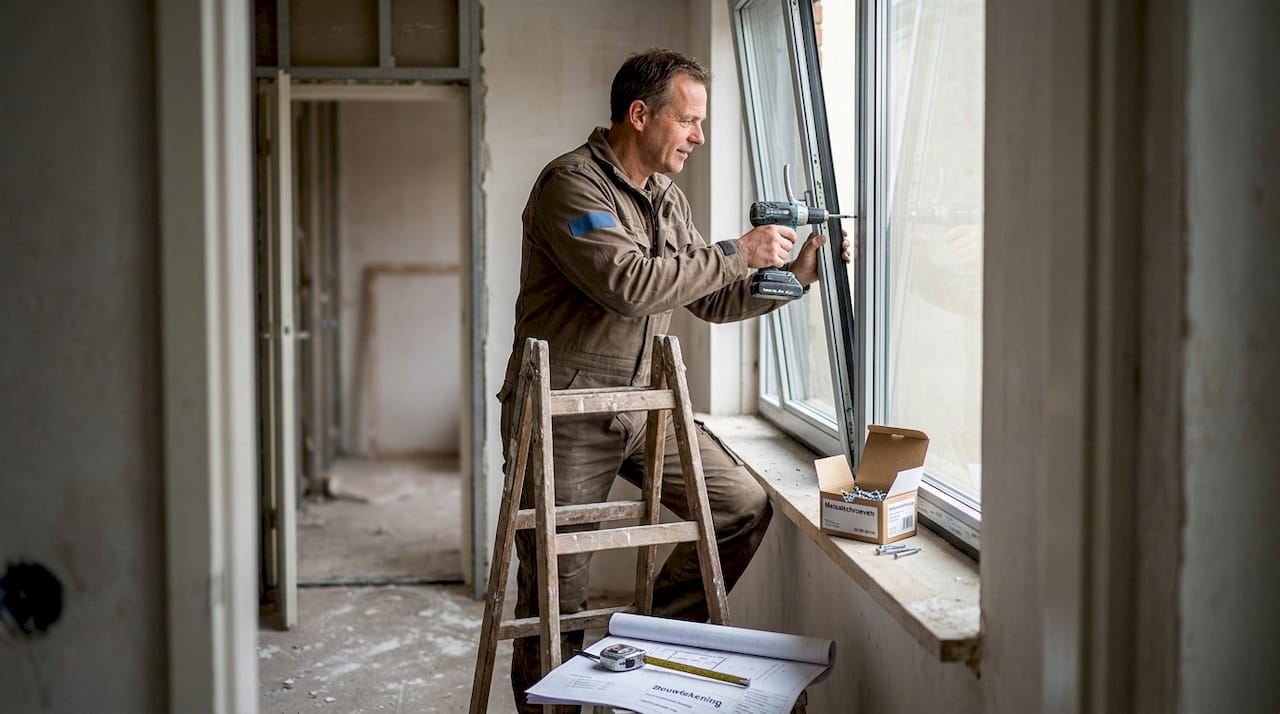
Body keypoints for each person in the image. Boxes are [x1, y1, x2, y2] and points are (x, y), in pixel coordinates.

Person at [498, 48, 849, 712]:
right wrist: (738, 251)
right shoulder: (572, 186)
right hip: (565, 413)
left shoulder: (666, 198)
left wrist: (795, 277)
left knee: (739, 507)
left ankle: (633, 645)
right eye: (688, 121)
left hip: (642, 407)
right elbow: (629, 285)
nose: (699, 137)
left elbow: (710, 296)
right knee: (555, 598)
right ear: (640, 115)